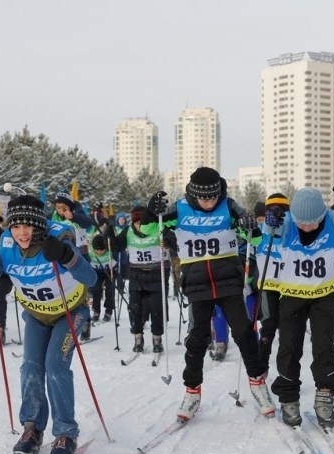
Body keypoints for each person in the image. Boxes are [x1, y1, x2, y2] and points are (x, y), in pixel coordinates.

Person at [0, 195, 96, 454]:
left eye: (28, 226)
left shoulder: (60, 236)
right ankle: (33, 428)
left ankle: (66, 433)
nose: (22, 233)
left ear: (39, 225)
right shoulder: (6, 245)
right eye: (16, 226)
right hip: (37, 315)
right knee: (30, 367)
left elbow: (90, 277)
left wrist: (66, 255)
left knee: (55, 366)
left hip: (70, 311)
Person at [142, 167, 275, 421]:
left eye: (213, 197)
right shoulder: (180, 209)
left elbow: (255, 240)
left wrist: (251, 227)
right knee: (197, 339)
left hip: (229, 281)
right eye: (203, 199)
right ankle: (192, 392)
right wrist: (150, 211)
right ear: (194, 194)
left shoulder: (229, 207)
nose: (209, 203)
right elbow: (148, 230)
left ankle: (258, 383)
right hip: (197, 283)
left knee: (244, 332)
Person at [264, 185, 334, 428]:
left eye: (313, 223)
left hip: (324, 295)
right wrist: (270, 220)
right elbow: (269, 230)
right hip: (292, 295)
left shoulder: (333, 219)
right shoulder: (287, 221)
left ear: (322, 215)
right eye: (302, 223)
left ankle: (325, 395)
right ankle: (289, 398)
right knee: (289, 347)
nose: (307, 227)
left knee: (324, 347)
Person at [114, 206, 165, 356]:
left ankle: (157, 339)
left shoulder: (157, 229)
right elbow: (117, 245)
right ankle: (138, 338)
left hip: (155, 275)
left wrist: (167, 242)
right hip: (136, 276)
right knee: (135, 308)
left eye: (142, 223)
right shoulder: (128, 231)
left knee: (156, 309)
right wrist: (109, 236)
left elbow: (173, 241)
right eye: (136, 223)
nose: (139, 226)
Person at [256, 193, 290, 365]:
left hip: (288, 287)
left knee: (287, 327)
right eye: (271, 210)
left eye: (283, 210)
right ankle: (262, 363)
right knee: (268, 326)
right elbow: (245, 240)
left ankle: (286, 366)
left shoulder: (293, 231)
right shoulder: (261, 231)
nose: (278, 214)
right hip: (268, 285)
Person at [87, 234, 115, 323]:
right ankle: (96, 311)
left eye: (102, 250)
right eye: (97, 250)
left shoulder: (110, 251)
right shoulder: (90, 253)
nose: (99, 252)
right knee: (96, 290)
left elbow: (117, 263)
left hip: (109, 272)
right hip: (96, 273)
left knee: (110, 290)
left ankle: (109, 310)